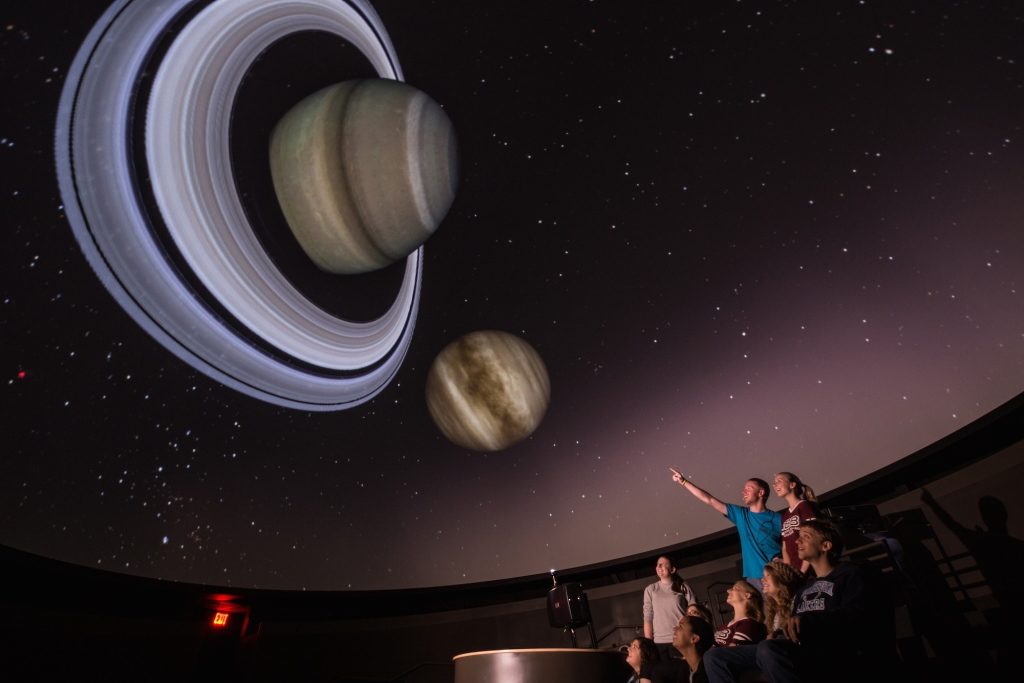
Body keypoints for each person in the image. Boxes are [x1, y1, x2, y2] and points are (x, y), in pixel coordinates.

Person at [753, 519, 890, 683]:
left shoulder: (853, 573)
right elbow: (794, 623)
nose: (797, 541)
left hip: (831, 648)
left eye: (806, 536)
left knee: (767, 649)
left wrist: (810, 621)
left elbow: (858, 614)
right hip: (800, 646)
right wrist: (780, 632)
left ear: (826, 546)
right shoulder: (805, 588)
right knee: (718, 657)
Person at [670, 467, 781, 591]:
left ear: (761, 493)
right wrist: (684, 482)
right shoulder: (741, 515)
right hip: (753, 579)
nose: (743, 492)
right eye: (743, 489)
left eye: (748, 489)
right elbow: (710, 500)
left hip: (775, 576)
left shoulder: (777, 519)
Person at [644, 556, 697, 660]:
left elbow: (694, 610)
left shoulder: (683, 587)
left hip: (681, 639)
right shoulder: (650, 589)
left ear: (672, 569)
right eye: (658, 564)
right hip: (659, 643)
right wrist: (649, 644)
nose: (659, 566)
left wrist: (691, 635)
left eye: (663, 564)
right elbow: (648, 617)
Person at [772, 472, 817, 573]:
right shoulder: (785, 515)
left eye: (779, 481)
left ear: (792, 485)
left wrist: (803, 571)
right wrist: (790, 573)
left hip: (809, 569)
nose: (775, 485)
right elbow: (785, 547)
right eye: (774, 483)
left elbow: (811, 538)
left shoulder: (804, 506)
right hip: (796, 571)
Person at [652, 615, 715, 683]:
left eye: (680, 626)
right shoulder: (683, 671)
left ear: (694, 638)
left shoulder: (710, 673)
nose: (675, 628)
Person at [714, 580, 767, 647]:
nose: (728, 590)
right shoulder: (723, 627)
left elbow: (732, 652)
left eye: (735, 588)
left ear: (747, 595)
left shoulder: (749, 624)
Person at [761, 560, 804, 638]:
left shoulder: (797, 604)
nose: (762, 579)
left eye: (768, 575)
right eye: (764, 576)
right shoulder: (773, 612)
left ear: (780, 578)